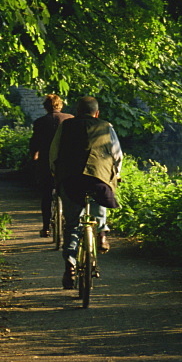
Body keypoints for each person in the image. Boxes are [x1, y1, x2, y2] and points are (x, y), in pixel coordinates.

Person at [49, 95, 122, 289]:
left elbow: (54, 152)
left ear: (77, 112)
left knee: (72, 224)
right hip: (97, 178)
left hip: (70, 179)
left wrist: (56, 173)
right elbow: (117, 154)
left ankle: (70, 263)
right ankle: (101, 233)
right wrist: (117, 174)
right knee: (103, 190)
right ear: (96, 113)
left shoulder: (66, 126)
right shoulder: (106, 126)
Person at [27, 93, 73, 237]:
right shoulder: (70, 119)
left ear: (46, 107)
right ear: (60, 105)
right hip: (66, 163)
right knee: (70, 193)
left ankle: (46, 227)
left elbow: (34, 143)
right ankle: (70, 223)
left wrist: (34, 155)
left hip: (46, 162)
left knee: (46, 195)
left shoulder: (40, 122)